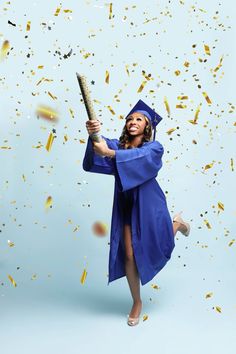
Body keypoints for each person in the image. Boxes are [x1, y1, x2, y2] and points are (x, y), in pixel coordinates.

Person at [82, 99, 191, 326]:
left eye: (138, 119)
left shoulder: (154, 147)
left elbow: (136, 159)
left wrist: (110, 153)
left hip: (150, 203)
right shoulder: (118, 145)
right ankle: (136, 301)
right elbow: (98, 151)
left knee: (159, 244)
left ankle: (177, 224)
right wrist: (94, 134)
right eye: (130, 119)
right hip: (126, 206)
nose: (133, 122)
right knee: (129, 255)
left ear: (147, 126)